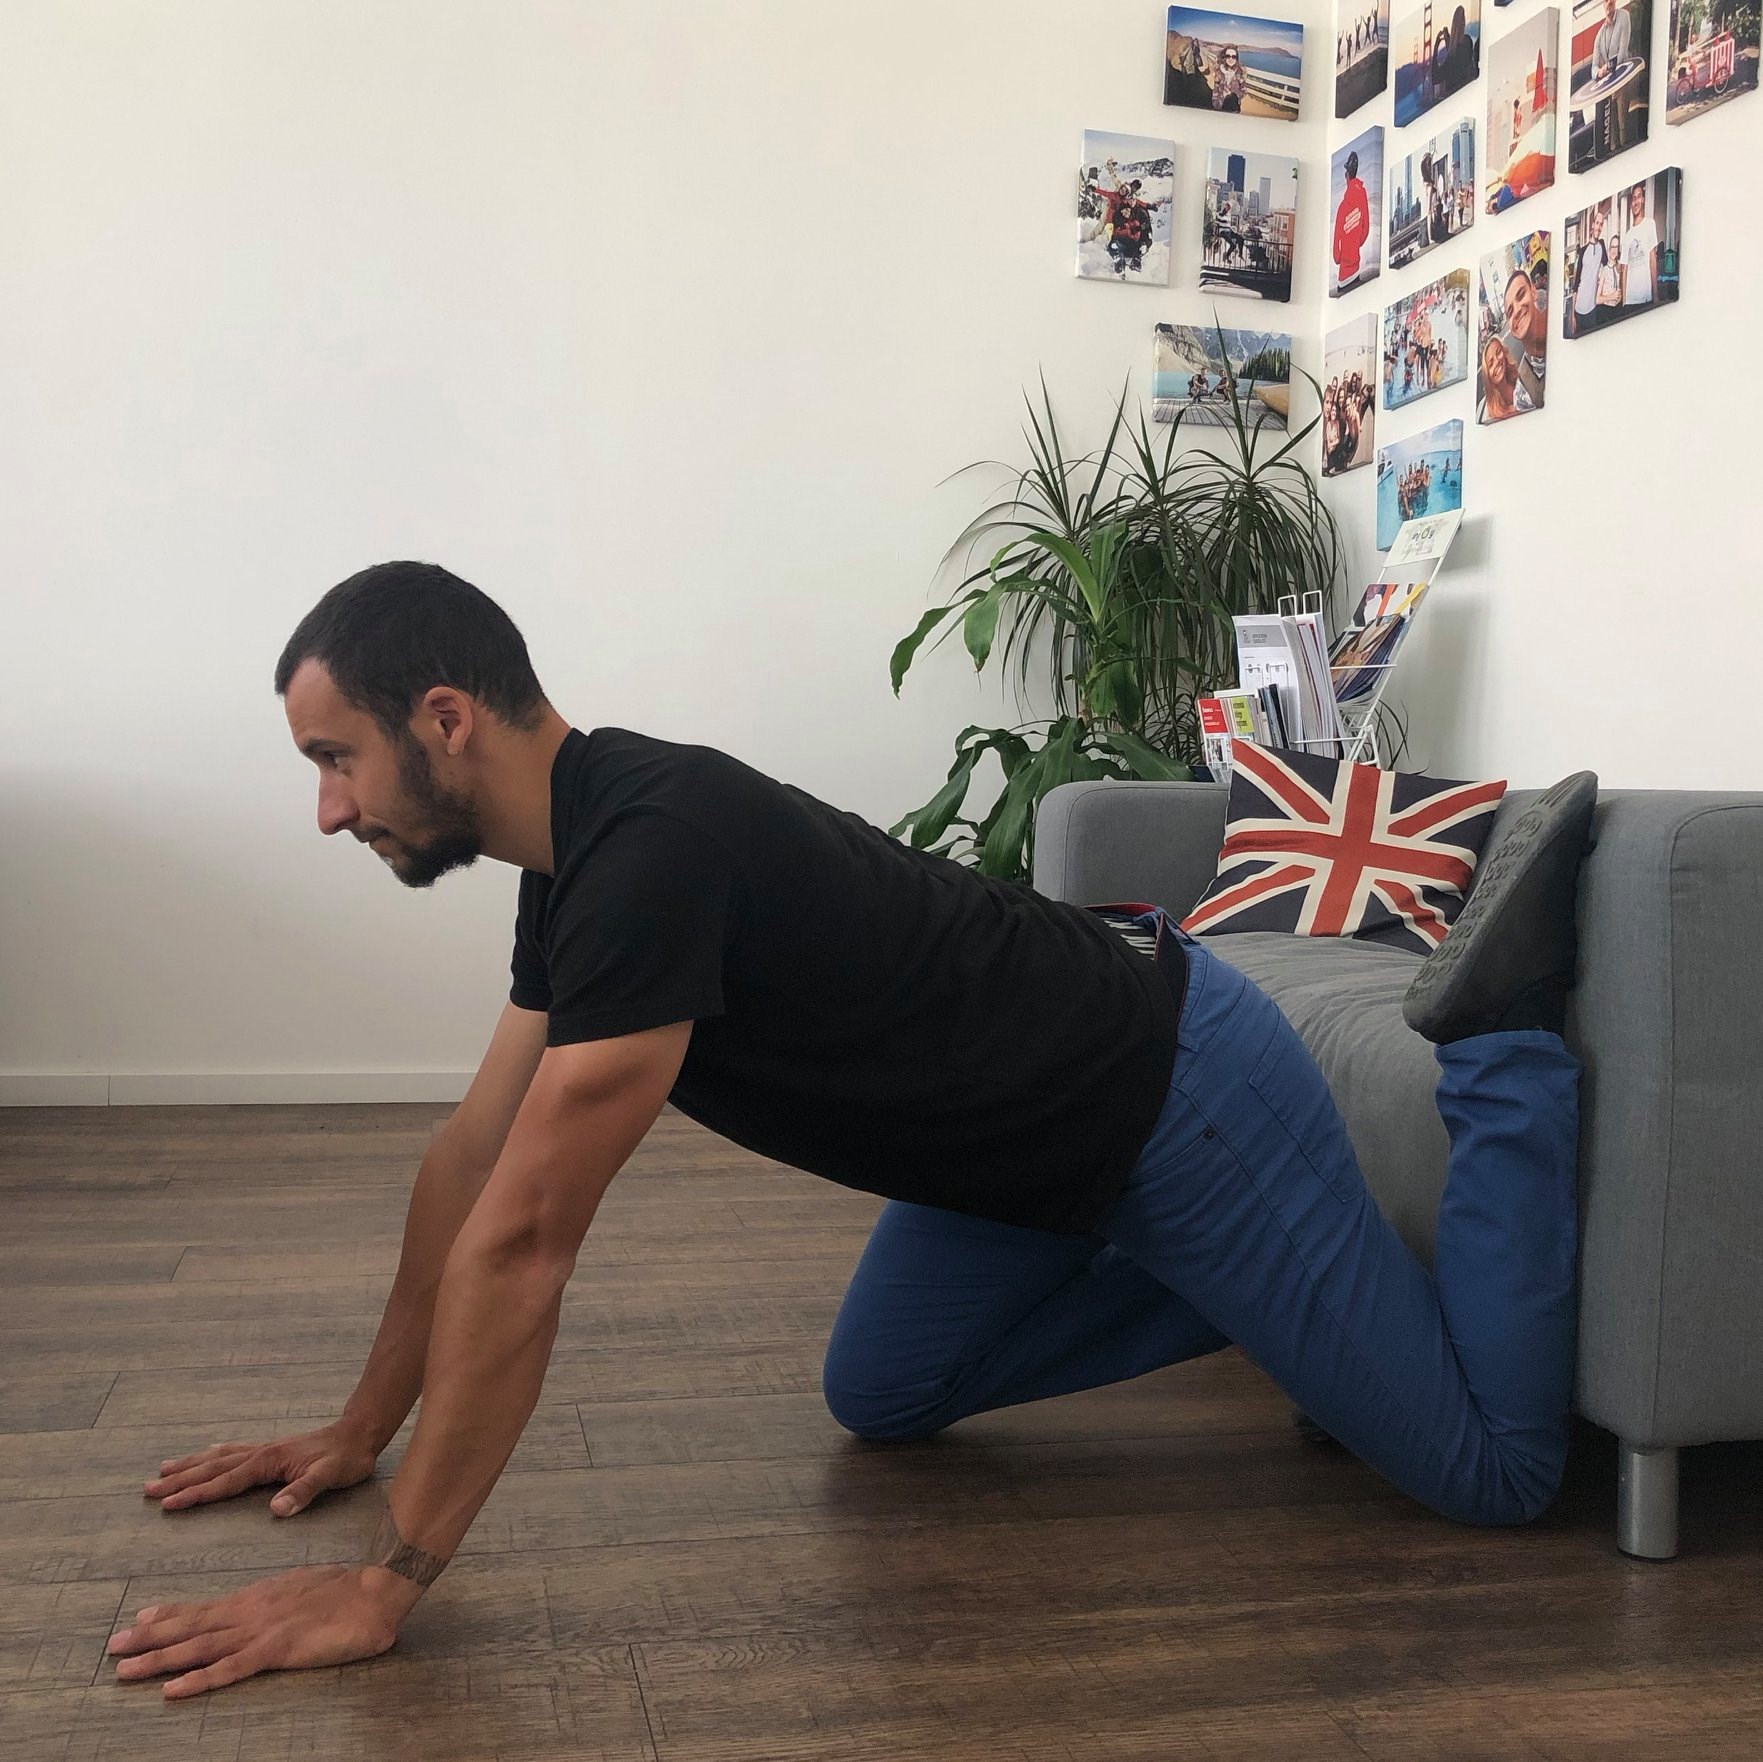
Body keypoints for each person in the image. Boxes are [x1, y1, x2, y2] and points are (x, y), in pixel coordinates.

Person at [107, 563, 1597, 1699]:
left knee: (1494, 1472)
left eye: (334, 759)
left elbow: (527, 1241)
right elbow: (470, 1160)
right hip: (1020, 1159)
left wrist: (388, 1581)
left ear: (444, 718)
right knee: (884, 1390)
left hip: (1164, 1089)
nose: (327, 810)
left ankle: (1503, 1049)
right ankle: (1293, 1286)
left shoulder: (651, 848)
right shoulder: (571, 863)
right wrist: (360, 1428)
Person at [1501, 263, 1548, 406]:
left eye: (1521, 295)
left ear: (1533, 292)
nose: (1517, 311)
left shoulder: (1561, 318)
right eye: (1510, 312)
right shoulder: (1522, 393)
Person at [1592, 0, 1635, 153]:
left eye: (1610, 0)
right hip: (1609, 86)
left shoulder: (1624, 17)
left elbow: (1623, 53)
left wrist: (1610, 67)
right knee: (1611, 133)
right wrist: (1600, 72)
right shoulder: (1600, 35)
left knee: (1623, 124)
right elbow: (1593, 68)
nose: (1608, 3)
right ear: (1602, 4)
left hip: (1622, 80)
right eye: (1605, 1)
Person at [1332, 148, 1372, 291]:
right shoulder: (1362, 194)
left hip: (1343, 278)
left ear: (1346, 175)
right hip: (1357, 271)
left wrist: (1340, 257)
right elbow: (1365, 228)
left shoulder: (1342, 208)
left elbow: (1336, 250)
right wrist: (1355, 243)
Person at [1571, 202, 1609, 337]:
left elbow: (1608, 267)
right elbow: (1576, 284)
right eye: (1597, 223)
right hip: (1578, 309)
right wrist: (1572, 316)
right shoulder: (1582, 251)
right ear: (1592, 225)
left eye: (1601, 224)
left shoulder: (1602, 246)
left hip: (1592, 309)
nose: (1599, 227)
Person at [1622, 180, 1658, 307]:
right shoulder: (1627, 235)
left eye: (1638, 197)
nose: (1636, 202)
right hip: (1630, 300)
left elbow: (1652, 260)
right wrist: (1624, 301)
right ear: (1631, 203)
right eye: (1633, 198)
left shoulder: (1650, 224)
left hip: (1646, 298)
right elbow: (1624, 269)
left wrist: (1655, 294)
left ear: (1643, 200)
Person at [1210, 43, 1246, 110]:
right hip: (1220, 107)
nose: (1230, 59)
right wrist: (1215, 105)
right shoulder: (1219, 71)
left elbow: (1244, 91)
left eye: (1233, 57)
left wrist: (1233, 96)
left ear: (1237, 58)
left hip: (1234, 108)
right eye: (1228, 56)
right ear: (1225, 57)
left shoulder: (1240, 72)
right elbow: (1215, 91)